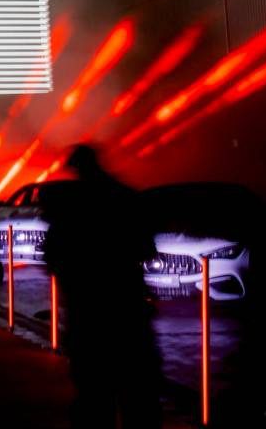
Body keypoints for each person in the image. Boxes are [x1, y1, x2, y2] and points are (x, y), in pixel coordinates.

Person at [41, 145, 161, 429]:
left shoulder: (69, 207)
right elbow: (147, 249)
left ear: (77, 168)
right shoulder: (125, 197)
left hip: (87, 318)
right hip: (127, 313)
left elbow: (51, 259)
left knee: (94, 401)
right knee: (138, 401)